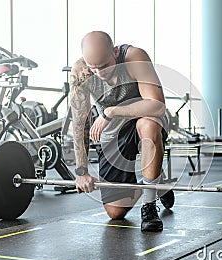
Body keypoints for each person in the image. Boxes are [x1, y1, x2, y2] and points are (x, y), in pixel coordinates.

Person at [69, 31, 174, 232]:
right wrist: (81, 172)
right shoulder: (80, 71)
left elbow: (157, 105)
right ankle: (156, 180)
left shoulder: (135, 57)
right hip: (113, 131)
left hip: (143, 117)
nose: (99, 73)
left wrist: (112, 111)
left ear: (115, 52)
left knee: (148, 124)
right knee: (116, 212)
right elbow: (80, 123)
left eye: (105, 66)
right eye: (94, 67)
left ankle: (149, 204)